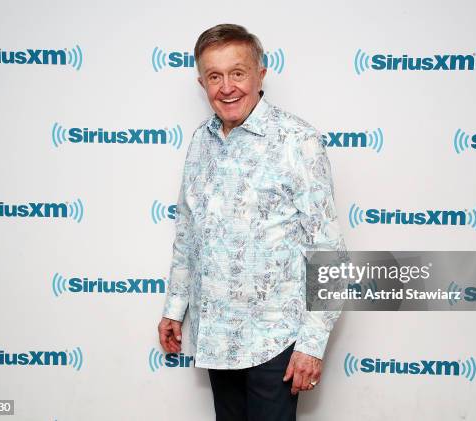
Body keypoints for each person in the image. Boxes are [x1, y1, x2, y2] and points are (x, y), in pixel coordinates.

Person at [157, 23, 347, 421]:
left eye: (238, 73)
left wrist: (311, 344)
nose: (227, 87)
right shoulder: (200, 142)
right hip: (216, 336)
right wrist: (175, 308)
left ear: (260, 74)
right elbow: (188, 234)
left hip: (274, 342)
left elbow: (328, 252)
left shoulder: (298, 141)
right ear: (202, 83)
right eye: (215, 76)